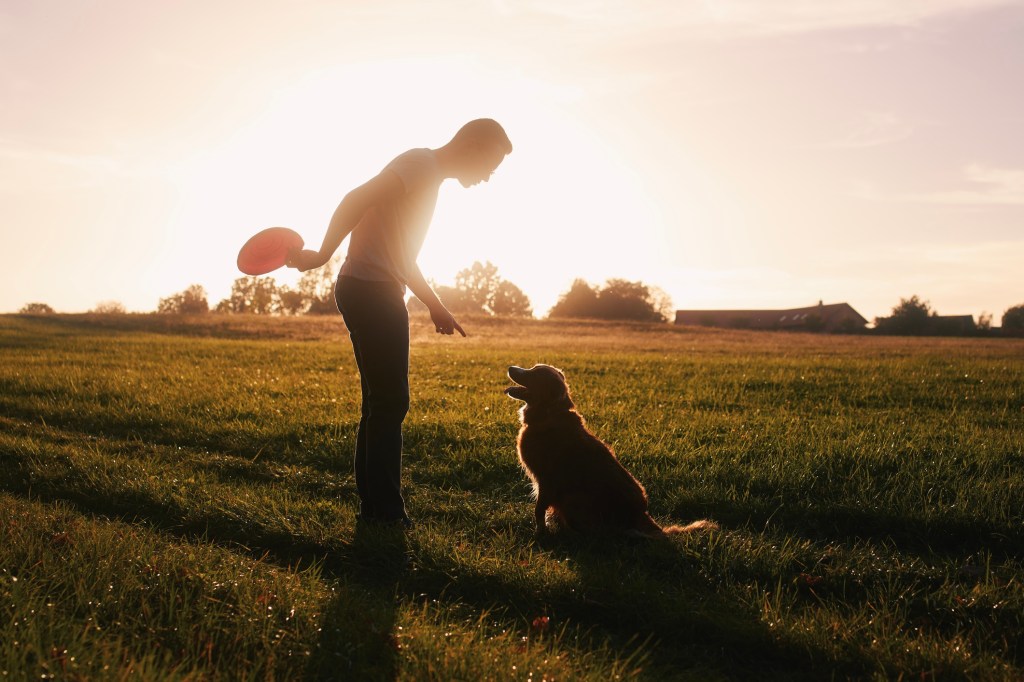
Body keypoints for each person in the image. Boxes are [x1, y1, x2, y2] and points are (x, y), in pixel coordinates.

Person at [287, 119, 512, 527]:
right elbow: (356, 197)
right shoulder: (420, 166)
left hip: (375, 287)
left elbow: (402, 254)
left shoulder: (428, 178)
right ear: (473, 145)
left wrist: (434, 304)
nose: (488, 177)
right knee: (390, 404)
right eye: (491, 164)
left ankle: (375, 510)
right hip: (371, 289)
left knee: (380, 406)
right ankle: (386, 514)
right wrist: (321, 254)